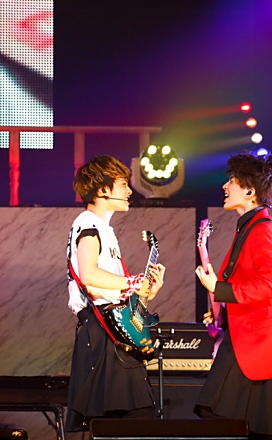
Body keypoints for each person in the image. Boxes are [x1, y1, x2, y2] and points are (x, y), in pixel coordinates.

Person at [194, 151, 272, 440]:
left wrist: (218, 288)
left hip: (259, 344)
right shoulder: (249, 227)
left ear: (250, 191)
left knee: (234, 421)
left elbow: (268, 287)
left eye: (232, 181)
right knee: (233, 422)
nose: (225, 186)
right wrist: (222, 313)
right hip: (247, 340)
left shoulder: (264, 231)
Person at [66, 155, 166, 432]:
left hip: (112, 329)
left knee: (124, 423)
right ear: (102, 190)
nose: (130, 191)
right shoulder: (88, 223)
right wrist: (133, 283)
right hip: (102, 331)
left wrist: (146, 293)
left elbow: (112, 290)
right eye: (123, 184)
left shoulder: (104, 229)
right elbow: (88, 275)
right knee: (131, 421)